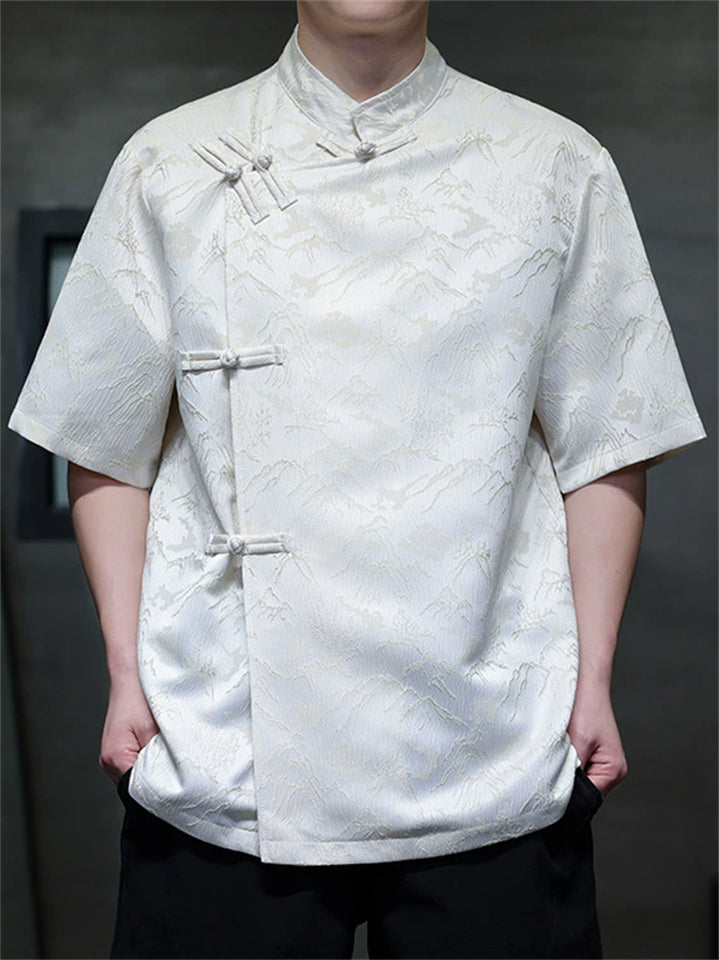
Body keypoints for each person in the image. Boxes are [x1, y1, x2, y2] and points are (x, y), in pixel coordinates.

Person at [8, 1, 707, 957]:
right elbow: (102, 438)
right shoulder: (169, 158)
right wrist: (126, 676)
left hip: (491, 739)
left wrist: (592, 684)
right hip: (226, 737)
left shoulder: (555, 162)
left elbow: (607, 441)